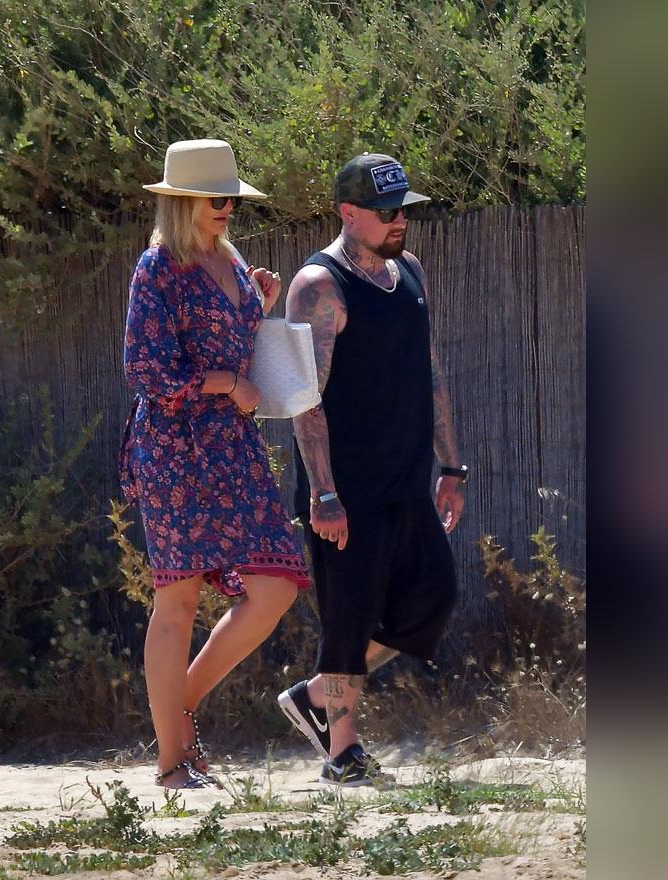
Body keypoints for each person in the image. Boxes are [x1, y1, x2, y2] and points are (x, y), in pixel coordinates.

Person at [119, 139, 312, 789]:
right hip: (175, 448)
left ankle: (182, 706)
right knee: (176, 600)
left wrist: (258, 302)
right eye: (215, 197)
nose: (228, 207)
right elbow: (145, 369)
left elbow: (233, 346)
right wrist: (227, 383)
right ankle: (173, 762)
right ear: (182, 203)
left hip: (232, 448)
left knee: (276, 584)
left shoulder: (232, 261)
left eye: (232, 197)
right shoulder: (158, 266)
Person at [276, 153, 467, 786]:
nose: (398, 223)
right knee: (350, 612)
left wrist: (451, 465)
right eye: (386, 212)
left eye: (403, 211)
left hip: (408, 476)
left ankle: (314, 697)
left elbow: (430, 372)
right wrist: (323, 493)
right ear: (348, 212)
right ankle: (341, 751)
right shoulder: (318, 287)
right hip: (348, 488)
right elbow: (306, 399)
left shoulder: (408, 271)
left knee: (433, 597)